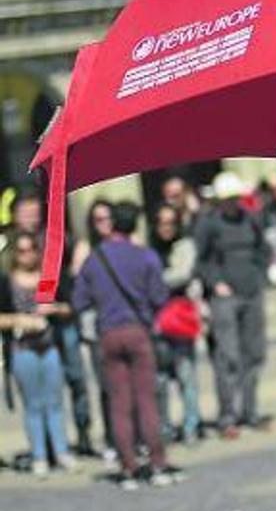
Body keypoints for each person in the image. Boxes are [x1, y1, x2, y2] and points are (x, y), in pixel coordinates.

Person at [72, 201, 182, 490]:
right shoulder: (145, 256)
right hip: (138, 330)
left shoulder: (95, 259)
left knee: (119, 404)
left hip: (108, 333)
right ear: (134, 225)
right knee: (147, 400)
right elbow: (159, 296)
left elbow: (80, 301)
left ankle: (128, 468)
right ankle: (157, 464)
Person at [194, 171, 271, 438]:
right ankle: (228, 416)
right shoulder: (208, 224)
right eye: (226, 199)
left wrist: (260, 276)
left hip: (251, 292)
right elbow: (201, 260)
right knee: (228, 357)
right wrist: (215, 282)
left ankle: (250, 411)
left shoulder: (250, 220)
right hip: (224, 297)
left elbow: (263, 249)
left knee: (255, 353)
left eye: (234, 198)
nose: (231, 203)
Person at [0, 231, 78, 478]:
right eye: (21, 250)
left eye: (31, 249)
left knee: (55, 402)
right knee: (33, 405)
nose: (27, 255)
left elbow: (70, 306)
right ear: (15, 253)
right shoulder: (6, 281)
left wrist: (53, 308)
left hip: (49, 346)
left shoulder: (47, 277)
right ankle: (40, 456)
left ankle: (62, 452)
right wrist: (20, 319)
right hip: (22, 349)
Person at [150, 204, 202, 446]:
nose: (166, 227)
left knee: (186, 375)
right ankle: (164, 427)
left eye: (171, 222)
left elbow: (182, 274)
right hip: (157, 319)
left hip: (180, 317)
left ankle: (191, 425)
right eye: (161, 222)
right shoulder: (149, 249)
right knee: (159, 379)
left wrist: (153, 280)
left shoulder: (185, 246)